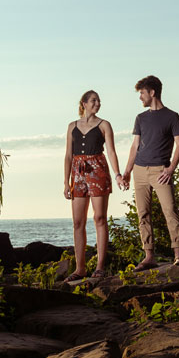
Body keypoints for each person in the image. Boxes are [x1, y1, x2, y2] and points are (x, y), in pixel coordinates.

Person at [118, 75, 179, 268]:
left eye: (142, 93)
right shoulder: (141, 118)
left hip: (161, 171)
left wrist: (171, 168)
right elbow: (135, 146)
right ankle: (149, 257)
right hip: (139, 170)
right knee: (143, 214)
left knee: (170, 211)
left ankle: (178, 255)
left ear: (152, 92)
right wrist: (127, 171)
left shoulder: (172, 117)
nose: (140, 97)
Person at [63, 89, 122, 281]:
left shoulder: (104, 125)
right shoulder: (72, 126)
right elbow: (68, 156)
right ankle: (80, 269)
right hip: (77, 173)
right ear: (84, 103)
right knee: (78, 222)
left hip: (98, 169)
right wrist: (66, 182)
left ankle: (99, 267)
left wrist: (118, 174)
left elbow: (111, 152)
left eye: (99, 101)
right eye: (94, 100)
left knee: (99, 218)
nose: (98, 104)